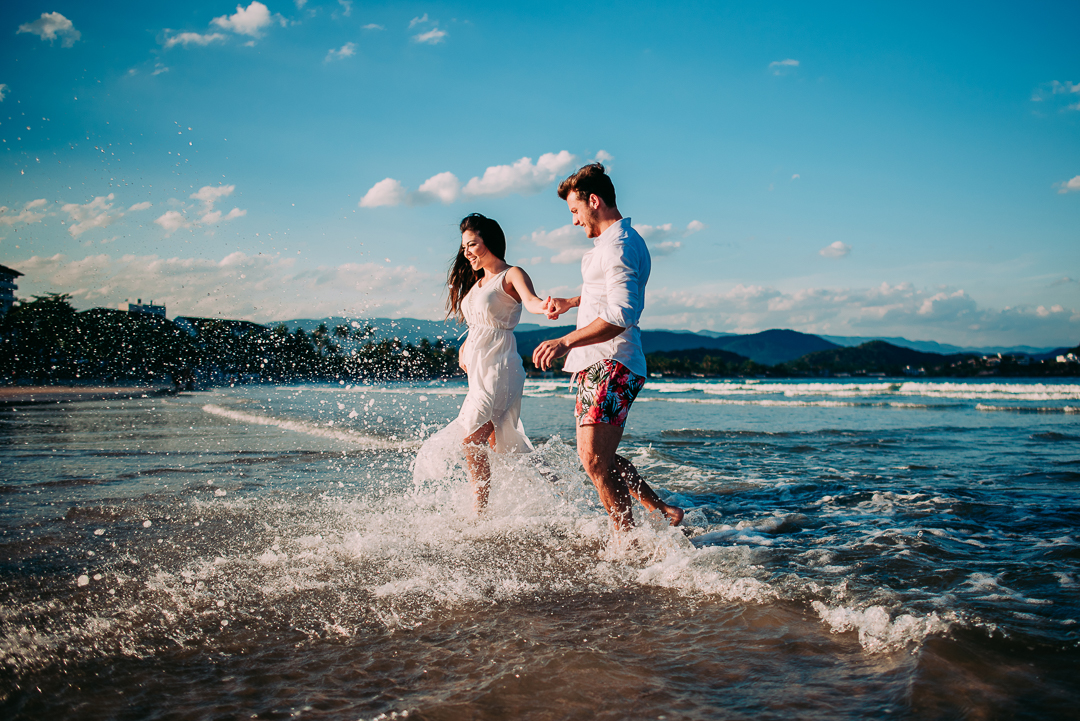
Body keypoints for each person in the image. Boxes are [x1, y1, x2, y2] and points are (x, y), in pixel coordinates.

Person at [532, 163, 684, 532]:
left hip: (612, 360)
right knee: (598, 457)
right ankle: (662, 510)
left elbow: (622, 312)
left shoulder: (618, 246)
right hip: (601, 361)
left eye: (574, 210)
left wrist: (565, 340)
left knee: (593, 460)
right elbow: (605, 292)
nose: (574, 221)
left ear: (594, 201)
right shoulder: (616, 243)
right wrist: (572, 301)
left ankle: (626, 539)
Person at [416, 213, 552, 514]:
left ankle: (480, 511)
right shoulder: (478, 283)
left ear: (488, 242)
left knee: (472, 435)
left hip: (500, 365)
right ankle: (553, 490)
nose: (467, 252)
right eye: (464, 247)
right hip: (479, 369)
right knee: (496, 441)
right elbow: (478, 324)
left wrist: (546, 307)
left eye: (472, 245)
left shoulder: (511, 274)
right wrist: (466, 345)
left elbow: (530, 301)